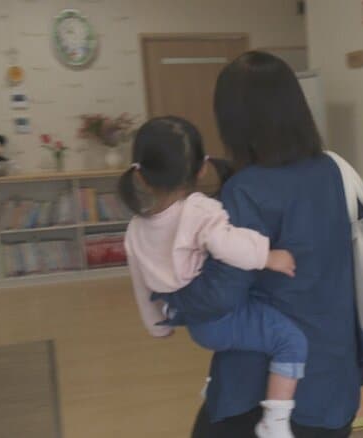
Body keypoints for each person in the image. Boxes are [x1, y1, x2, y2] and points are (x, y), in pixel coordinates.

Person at [158, 51, 363, 438]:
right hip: (335, 377)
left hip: (266, 385)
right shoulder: (335, 170)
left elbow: (222, 294)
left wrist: (170, 301)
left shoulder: (247, 190)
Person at [119, 116, 307, 438]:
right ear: (203, 168)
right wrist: (268, 256)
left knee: (248, 332)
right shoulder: (199, 209)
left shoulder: (135, 228)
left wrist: (156, 325)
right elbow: (226, 244)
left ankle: (216, 388)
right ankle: (275, 421)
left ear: (140, 176)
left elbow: (141, 285)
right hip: (222, 319)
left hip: (193, 322)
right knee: (291, 341)